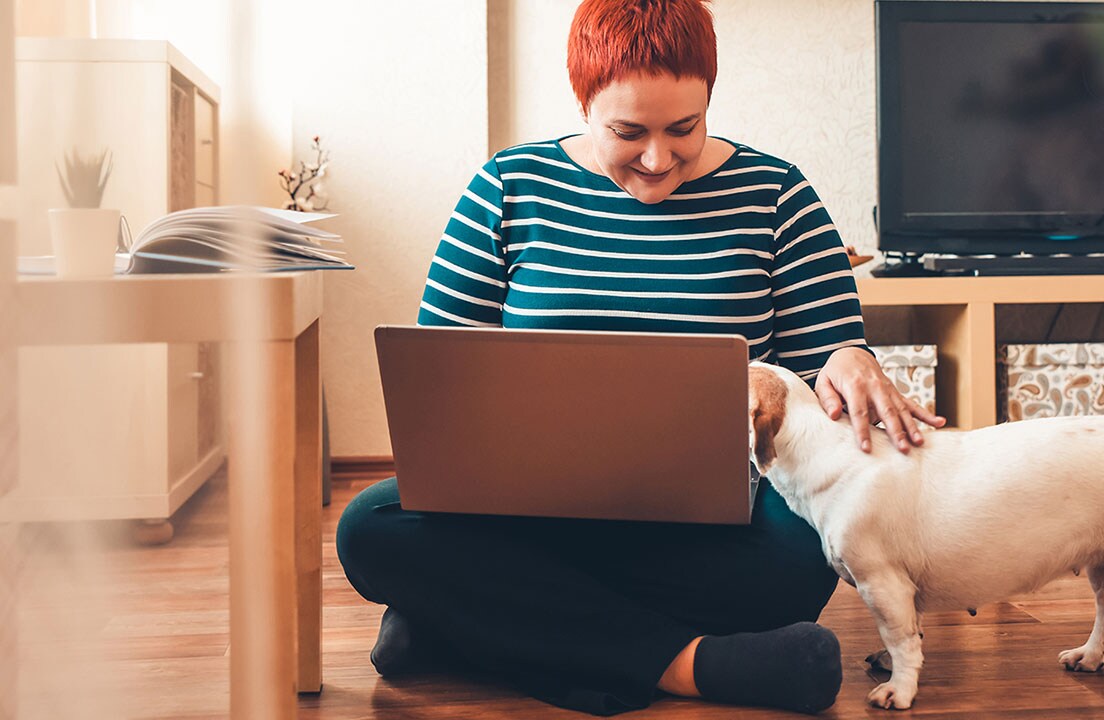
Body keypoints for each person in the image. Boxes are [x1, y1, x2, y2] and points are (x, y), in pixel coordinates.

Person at [336, 0, 945, 714]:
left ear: (708, 100)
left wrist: (847, 356)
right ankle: (697, 666)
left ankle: (463, 623)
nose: (659, 160)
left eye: (684, 128)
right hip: (531, 516)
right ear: (583, 105)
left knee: (807, 554)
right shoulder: (507, 188)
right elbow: (438, 383)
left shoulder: (779, 196)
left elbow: (826, 365)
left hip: (720, 526)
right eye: (628, 132)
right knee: (370, 529)